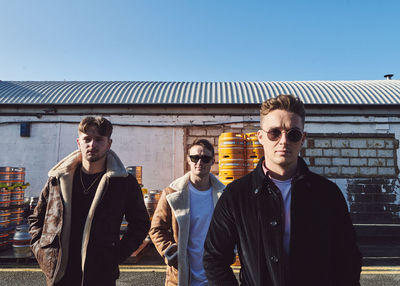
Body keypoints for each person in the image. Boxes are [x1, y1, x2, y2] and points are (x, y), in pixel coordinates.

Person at [203, 94, 362, 286]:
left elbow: (348, 258)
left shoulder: (328, 194)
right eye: (274, 133)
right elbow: (214, 258)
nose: (284, 140)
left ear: (302, 139)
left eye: (293, 133)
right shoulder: (236, 195)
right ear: (260, 137)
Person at [29, 116, 150, 286]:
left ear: (109, 144)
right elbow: (36, 219)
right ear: (79, 142)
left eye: (99, 140)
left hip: (100, 274)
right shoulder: (58, 179)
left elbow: (140, 224)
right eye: (87, 139)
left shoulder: (123, 182)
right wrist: (42, 251)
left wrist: (115, 256)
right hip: (60, 274)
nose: (92, 145)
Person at [149, 139, 225, 286]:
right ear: (188, 160)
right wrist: (171, 252)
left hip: (214, 277)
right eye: (195, 158)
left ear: (213, 161)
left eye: (205, 158)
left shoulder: (223, 195)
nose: (199, 162)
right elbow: (156, 229)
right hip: (180, 277)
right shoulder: (172, 193)